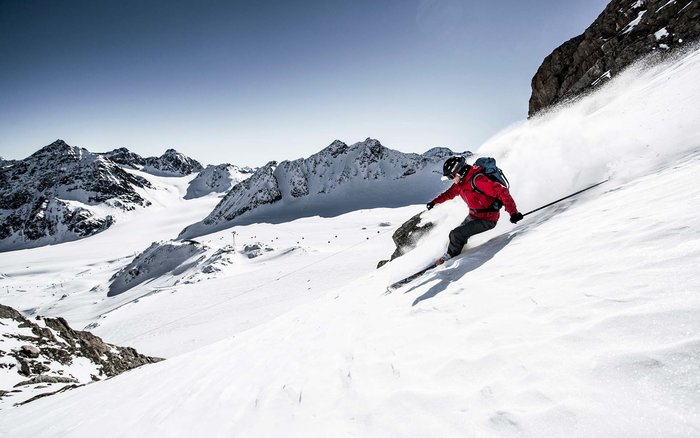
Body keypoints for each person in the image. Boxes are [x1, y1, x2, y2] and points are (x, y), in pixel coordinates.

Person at [426, 156, 523, 264]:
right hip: (474, 215)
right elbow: (449, 194)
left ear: (458, 172)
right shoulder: (461, 183)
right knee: (453, 236)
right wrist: (434, 202)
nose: (451, 179)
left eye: (451, 176)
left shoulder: (478, 180)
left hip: (488, 219)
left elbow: (501, 191)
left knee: (456, 234)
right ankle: (451, 252)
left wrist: (513, 213)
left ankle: (449, 259)